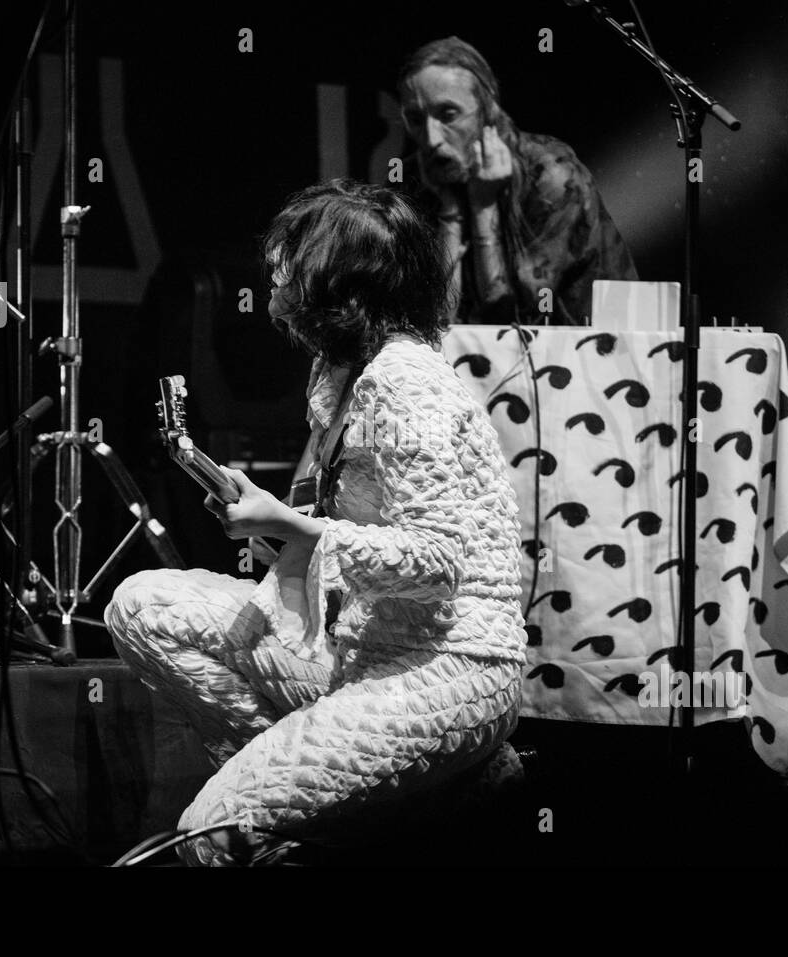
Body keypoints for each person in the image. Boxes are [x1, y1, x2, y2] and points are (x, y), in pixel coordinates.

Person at [105, 179, 528, 865]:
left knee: (212, 834)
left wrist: (297, 530)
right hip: (357, 649)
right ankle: (348, 792)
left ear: (339, 283)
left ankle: (362, 803)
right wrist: (275, 520)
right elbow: (349, 533)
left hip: (450, 667)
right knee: (143, 606)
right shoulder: (336, 375)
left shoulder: (404, 379)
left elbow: (438, 560)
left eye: (288, 260)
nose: (272, 273)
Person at [398, 36, 638, 326]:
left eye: (448, 115)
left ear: (487, 111)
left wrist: (483, 207)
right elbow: (427, 322)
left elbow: (514, 320)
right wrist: (450, 212)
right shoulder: (414, 182)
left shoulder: (551, 175)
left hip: (591, 355)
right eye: (415, 119)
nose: (432, 139)